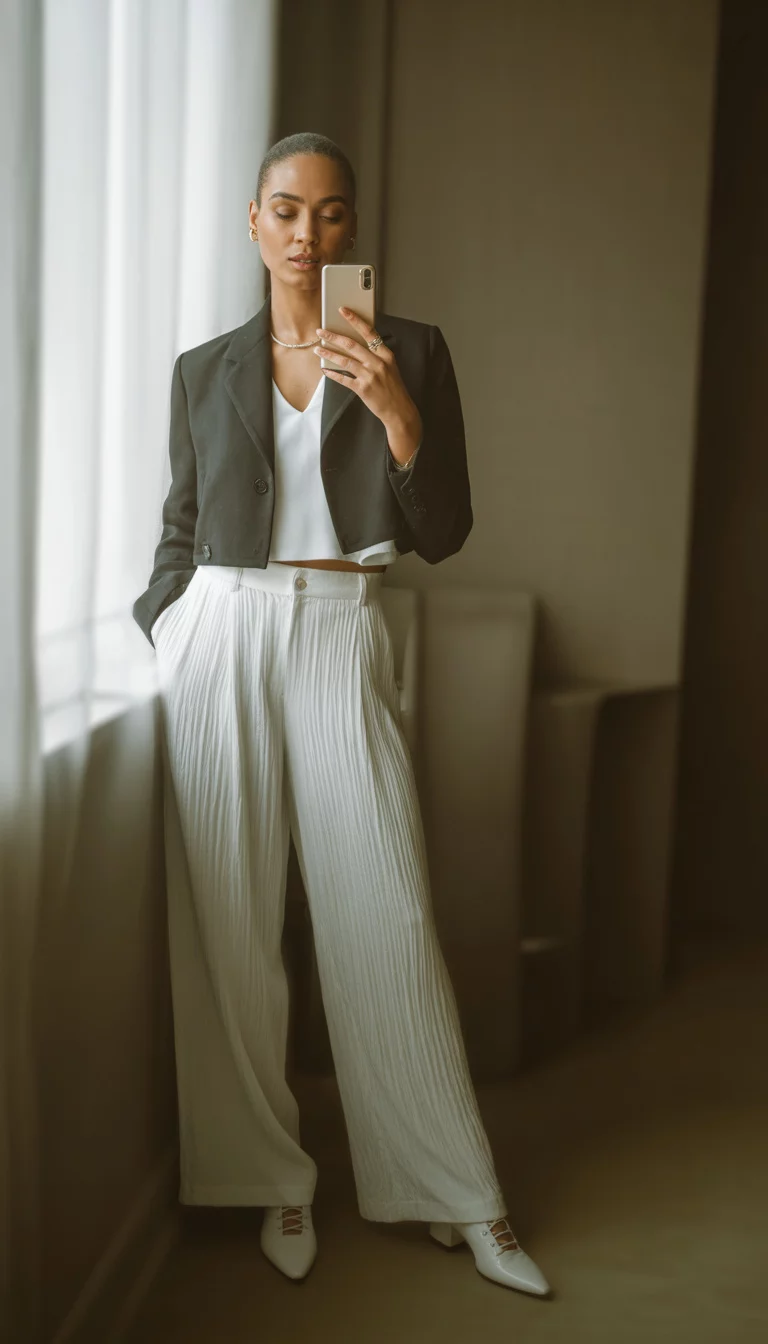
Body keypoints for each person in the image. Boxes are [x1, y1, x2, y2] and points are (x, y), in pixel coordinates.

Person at [133, 132, 551, 1297]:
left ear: (351, 228)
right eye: (284, 211)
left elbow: (446, 526)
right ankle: (273, 1178)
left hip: (341, 624)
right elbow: (180, 520)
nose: (306, 234)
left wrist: (399, 413)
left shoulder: (410, 348)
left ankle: (457, 1192)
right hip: (223, 630)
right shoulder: (203, 367)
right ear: (252, 225)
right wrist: (172, 622)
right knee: (231, 920)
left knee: (386, 915)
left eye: (328, 214)